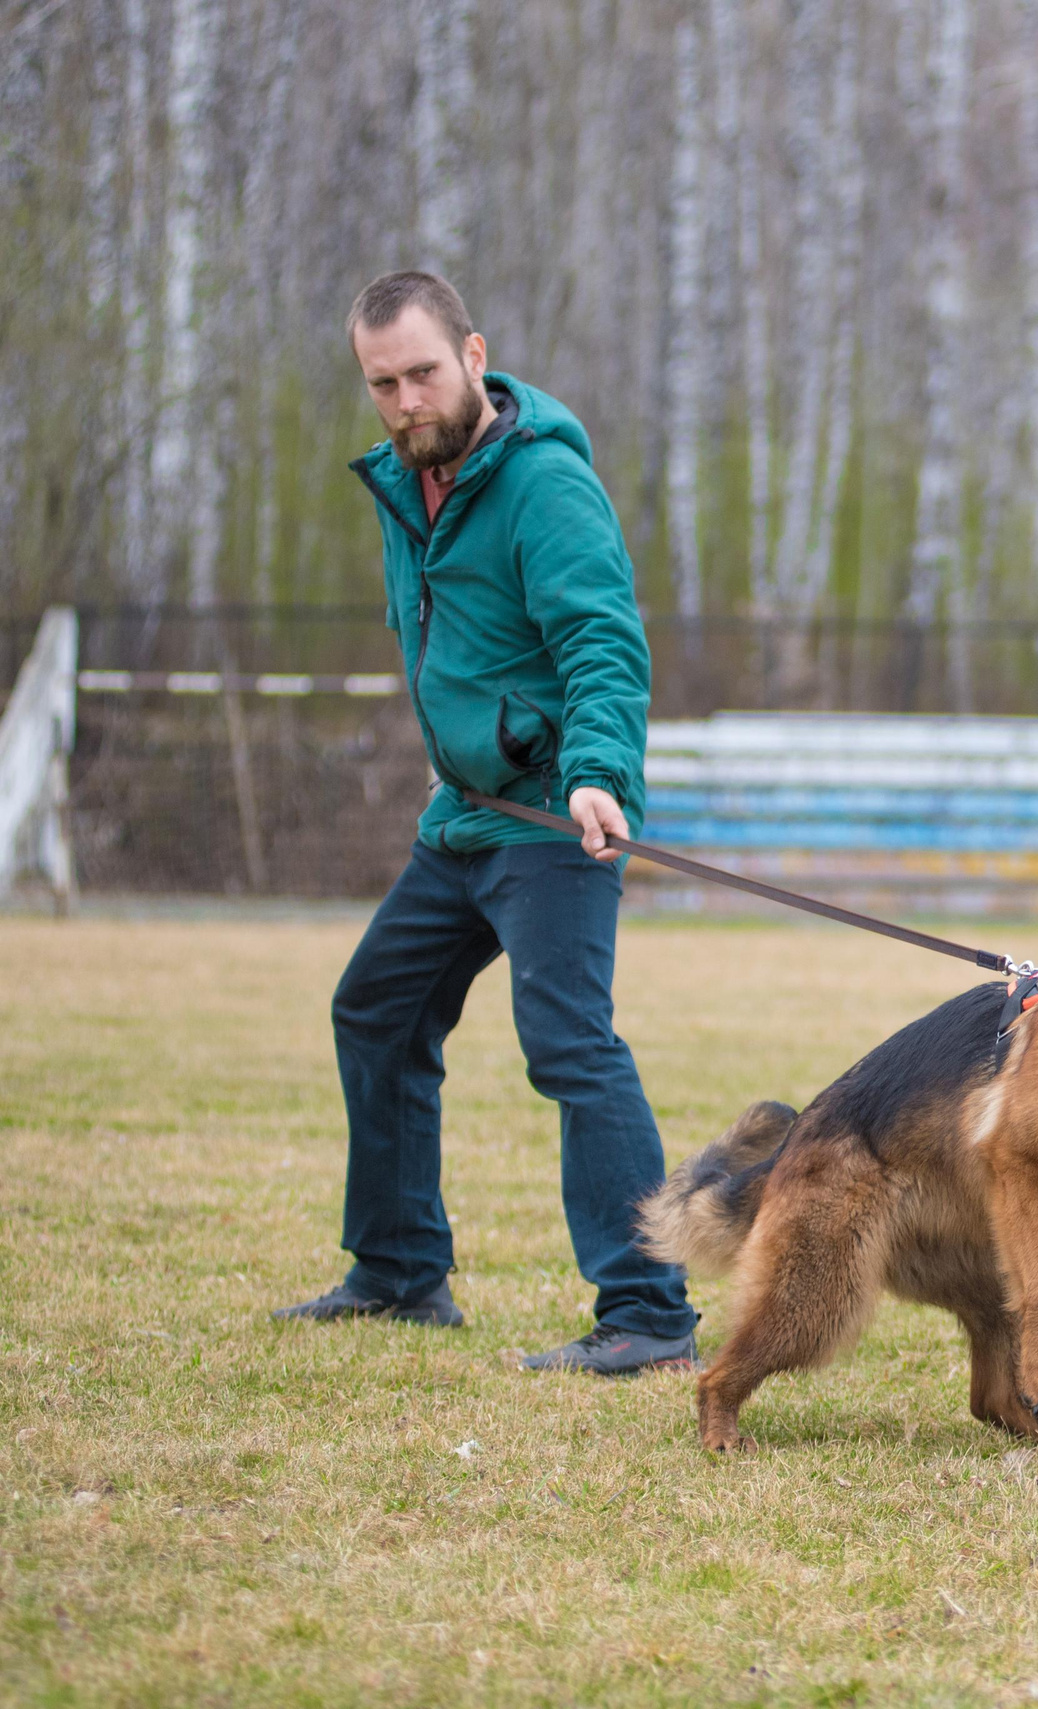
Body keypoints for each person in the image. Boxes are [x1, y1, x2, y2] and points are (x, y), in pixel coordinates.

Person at [271, 271, 696, 1376]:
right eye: (382, 383)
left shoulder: (543, 483)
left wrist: (598, 774)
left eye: (422, 372)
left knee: (570, 1045)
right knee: (376, 1010)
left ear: (474, 355)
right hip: (463, 817)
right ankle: (400, 1272)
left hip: (553, 817)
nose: (406, 400)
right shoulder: (405, 484)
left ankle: (649, 1312)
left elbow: (602, 641)